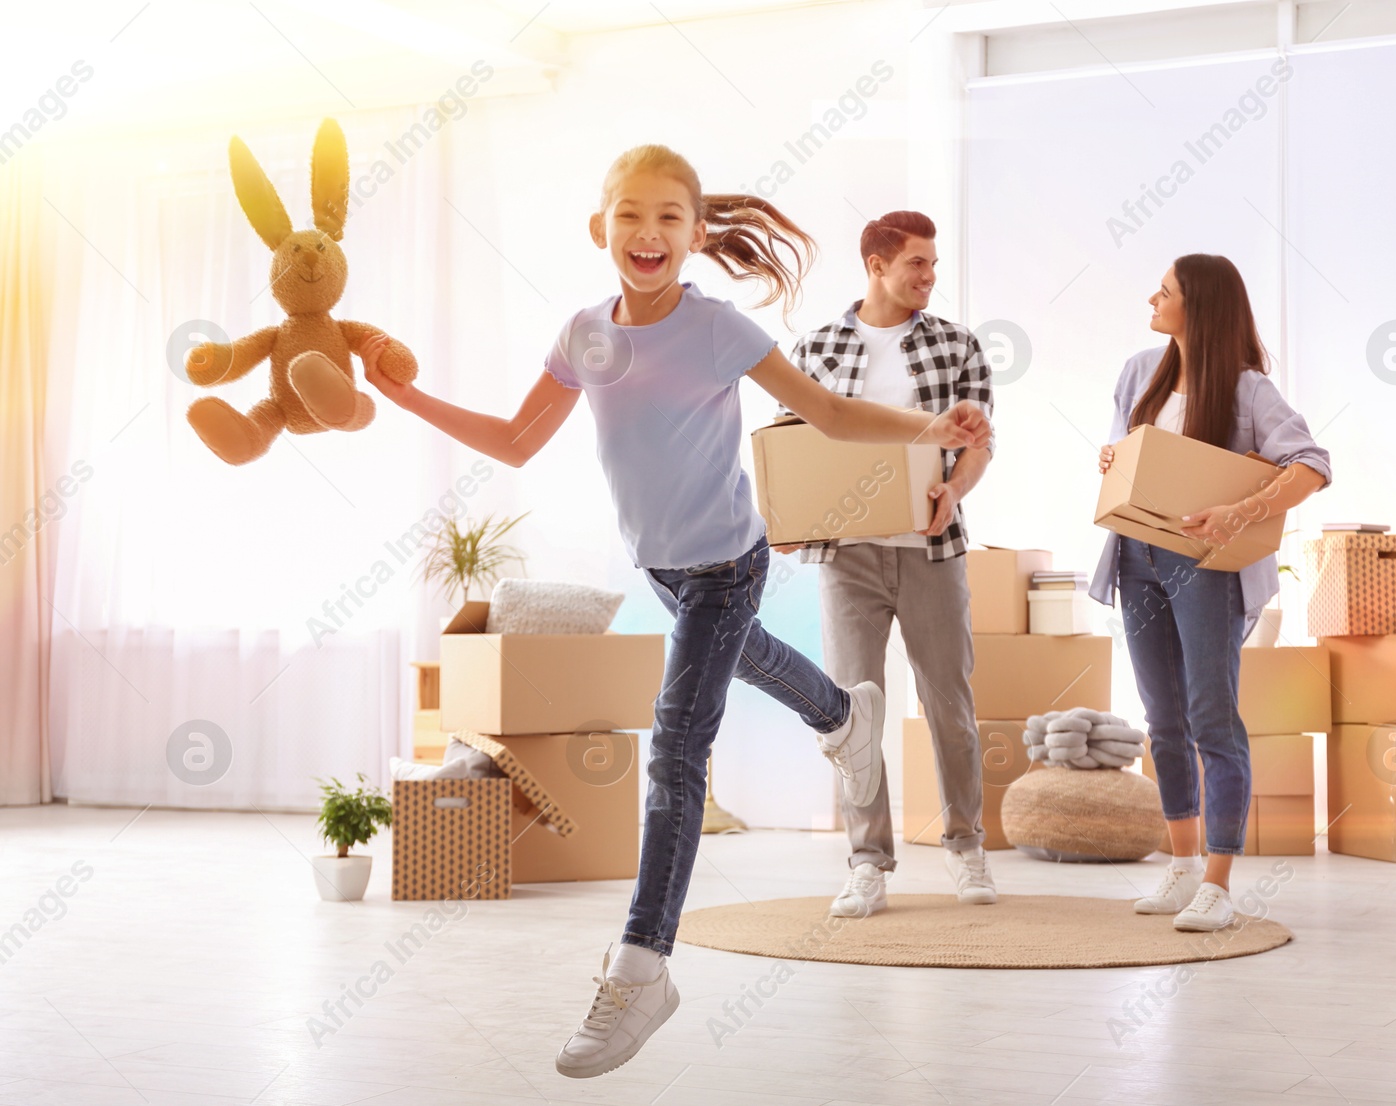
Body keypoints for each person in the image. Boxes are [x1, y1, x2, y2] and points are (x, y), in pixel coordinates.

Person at [354, 144, 990, 1078]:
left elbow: (827, 412)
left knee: (677, 743)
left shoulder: (718, 329)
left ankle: (643, 963)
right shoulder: (583, 333)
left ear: (696, 234)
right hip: (659, 566)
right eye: (629, 216)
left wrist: (927, 427)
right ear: (600, 228)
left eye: (667, 218)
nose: (647, 233)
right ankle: (843, 714)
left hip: (728, 560)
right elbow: (519, 440)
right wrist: (407, 396)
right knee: (757, 656)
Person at [1088, 254, 1331, 932]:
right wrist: (1110, 457)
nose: (1152, 297)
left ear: (1197, 305)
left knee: (1211, 719)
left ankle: (1219, 887)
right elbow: (1120, 448)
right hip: (1136, 555)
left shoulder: (1250, 391)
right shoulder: (1140, 371)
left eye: (1163, 290)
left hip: (1206, 566)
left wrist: (1240, 512)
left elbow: (1311, 463)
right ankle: (1183, 865)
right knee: (1162, 719)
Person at [777, 210, 997, 918]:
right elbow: (790, 448)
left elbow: (979, 445)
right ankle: (867, 861)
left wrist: (954, 492)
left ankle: (966, 847)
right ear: (877, 265)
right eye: (917, 265)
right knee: (851, 715)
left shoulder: (958, 346)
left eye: (933, 264)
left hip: (932, 550)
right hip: (847, 557)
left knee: (950, 708)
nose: (930, 276)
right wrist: (787, 520)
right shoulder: (816, 349)